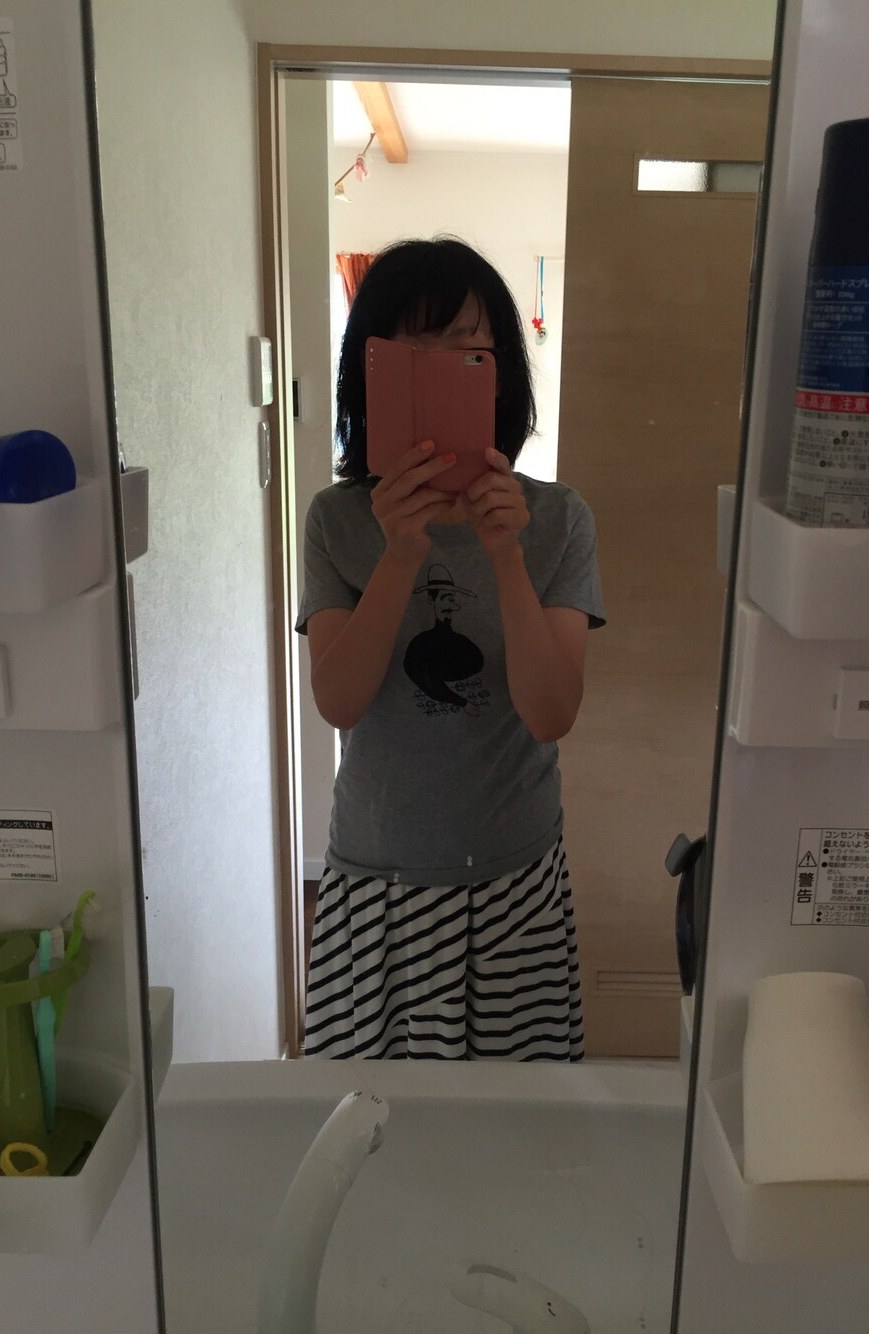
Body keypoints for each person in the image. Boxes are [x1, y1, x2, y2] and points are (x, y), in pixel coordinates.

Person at [296, 237, 605, 1060]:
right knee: (370, 1120)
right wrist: (400, 555)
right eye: (411, 356)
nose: (439, 374)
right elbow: (337, 702)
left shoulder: (559, 521)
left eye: (464, 351)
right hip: (378, 882)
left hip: (515, 880)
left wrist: (506, 555)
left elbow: (551, 713)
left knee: (513, 1123)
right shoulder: (336, 521)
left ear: (498, 373)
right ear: (370, 376)